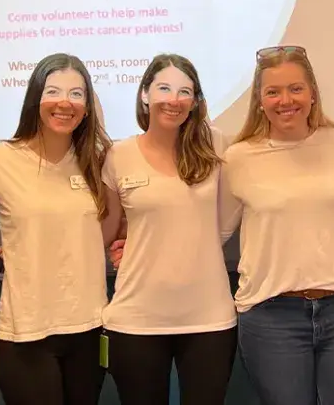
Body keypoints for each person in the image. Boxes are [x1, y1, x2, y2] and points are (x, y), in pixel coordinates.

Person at [218, 45, 334, 405]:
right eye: (272, 91)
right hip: (270, 315)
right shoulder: (239, 157)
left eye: (295, 88)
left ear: (312, 94)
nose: (285, 100)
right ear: (259, 100)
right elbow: (214, 232)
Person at [0, 53, 116, 405]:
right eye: (53, 91)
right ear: (35, 97)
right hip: (27, 330)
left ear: (86, 107)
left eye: (76, 94)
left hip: (89, 325)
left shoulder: (100, 161)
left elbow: (111, 230)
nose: (64, 103)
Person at [99, 54, 238, 405]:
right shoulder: (118, 154)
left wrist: (188, 247)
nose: (173, 100)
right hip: (136, 318)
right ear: (145, 94)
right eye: (163, 88)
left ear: (195, 102)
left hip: (209, 317)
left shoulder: (216, 146)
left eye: (184, 91)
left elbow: (224, 223)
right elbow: (108, 229)